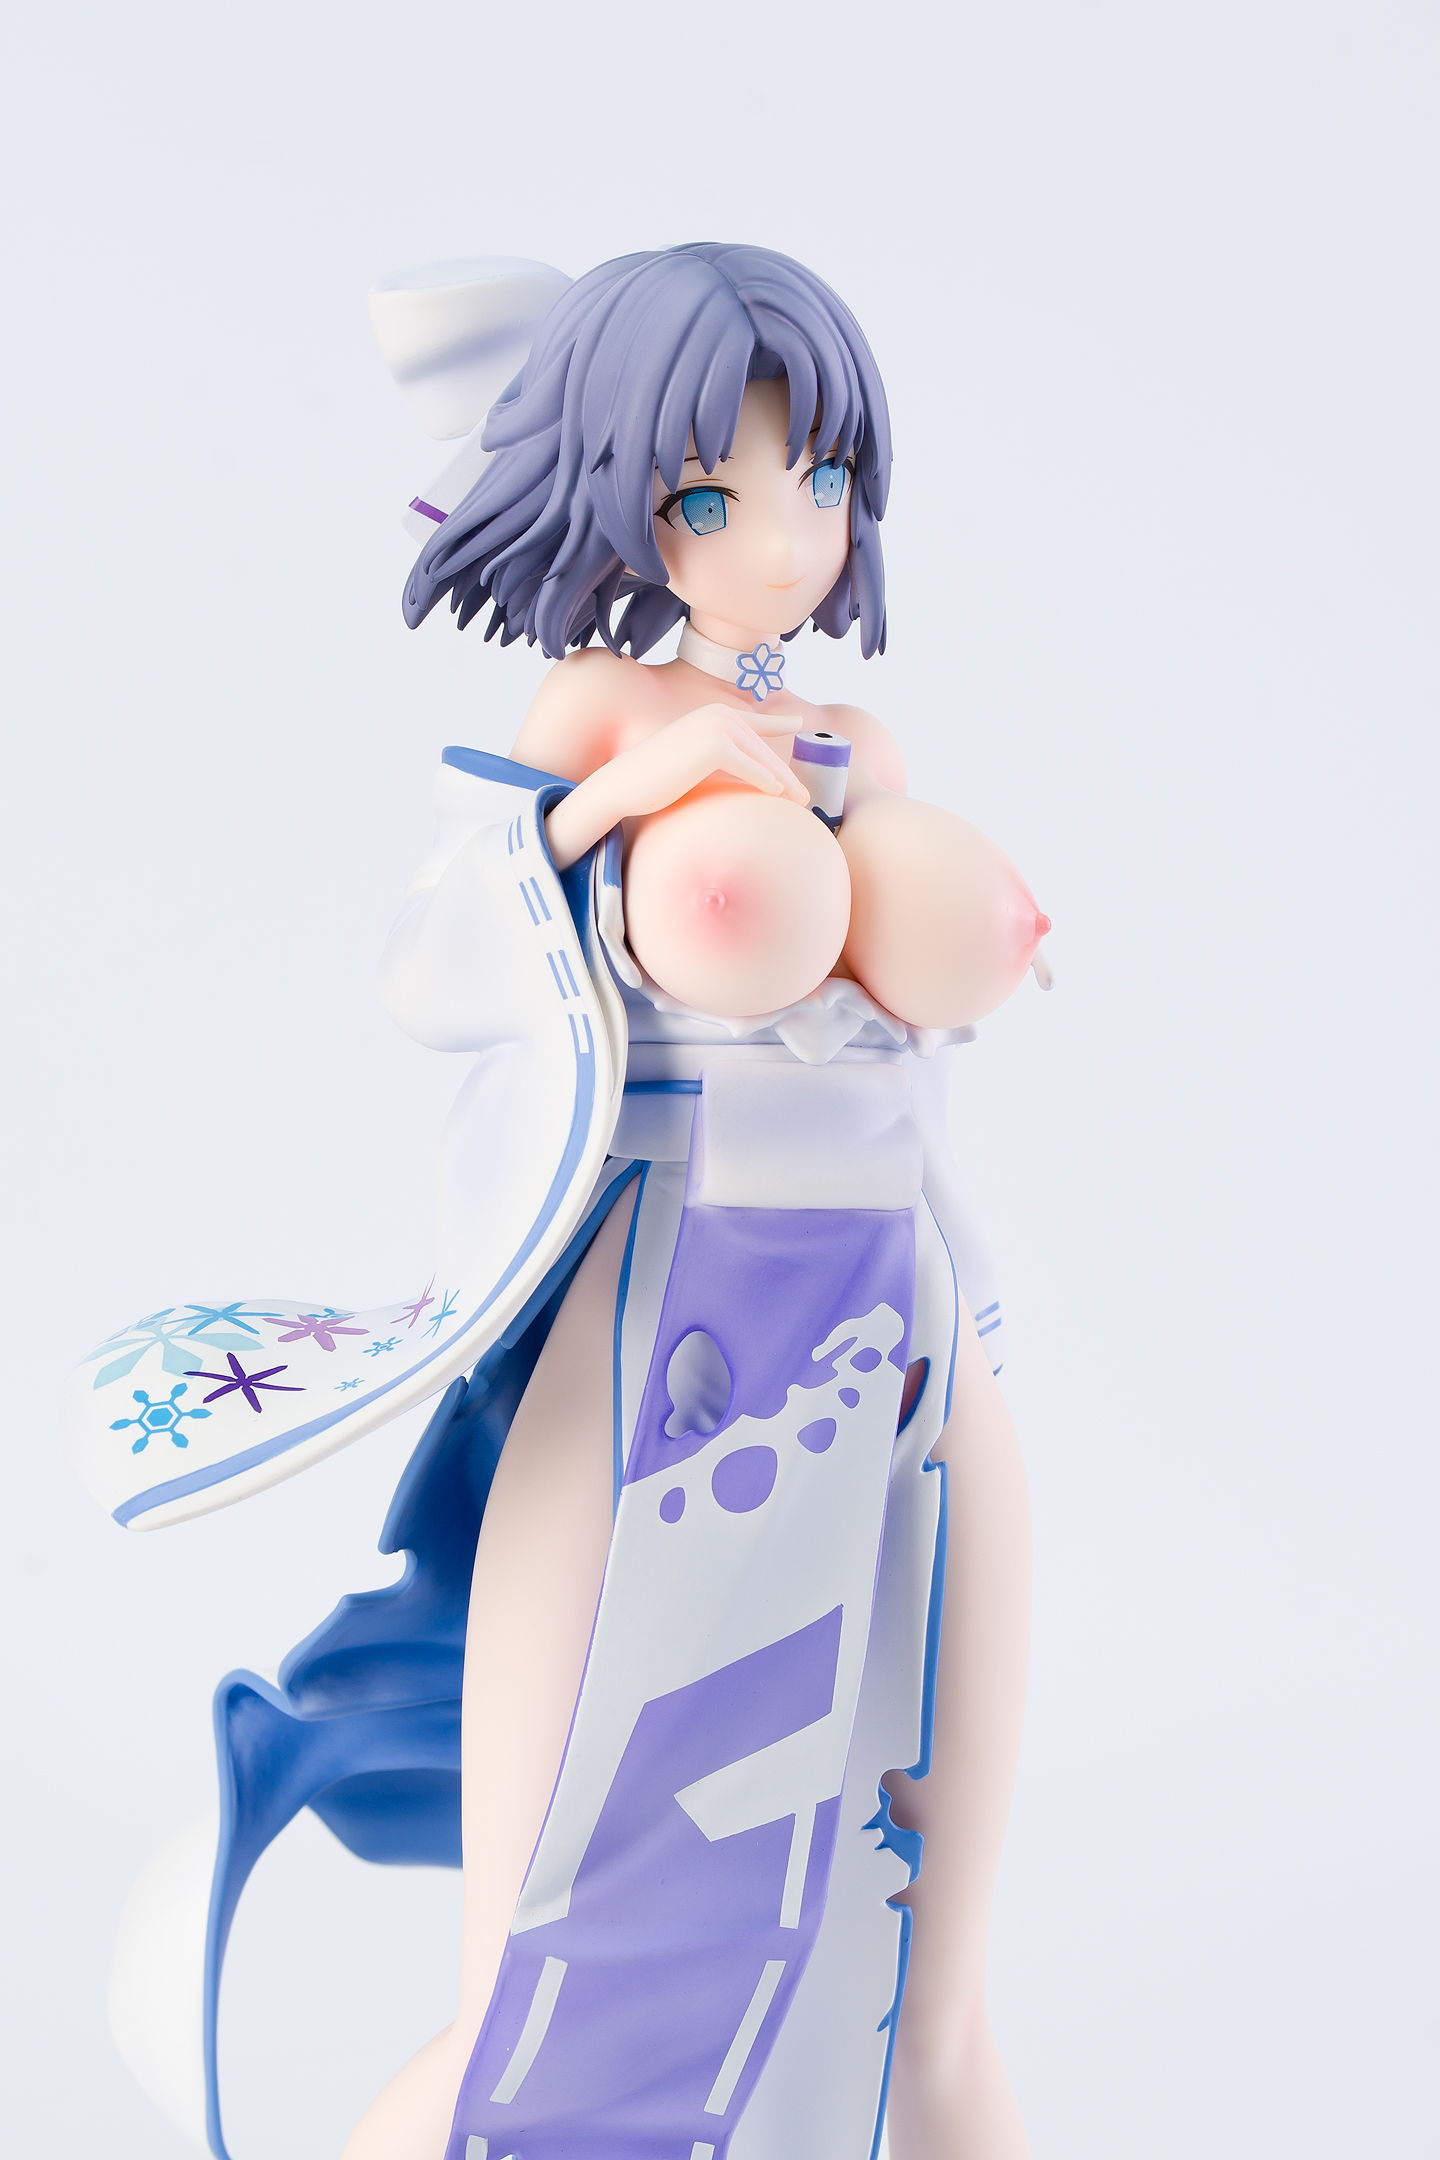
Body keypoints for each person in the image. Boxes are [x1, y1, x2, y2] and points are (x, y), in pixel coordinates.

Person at [75, 244, 1043, 2160]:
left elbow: (907, 1054)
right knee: (541, 1930)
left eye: (820, 482)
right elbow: (436, 966)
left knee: (928, 1906)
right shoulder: (594, 708)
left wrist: (973, 1313)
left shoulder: (859, 751)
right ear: (625, 495)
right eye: (716, 497)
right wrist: (625, 795)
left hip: (892, 1298)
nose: (786, 539)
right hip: (659, 1299)